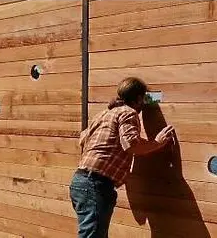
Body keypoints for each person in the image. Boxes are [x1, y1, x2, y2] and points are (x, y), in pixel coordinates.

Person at [69, 77, 176, 238]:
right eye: (144, 98)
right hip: (95, 184)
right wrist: (157, 143)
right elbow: (131, 144)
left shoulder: (104, 114)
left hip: (80, 182)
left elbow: (82, 140)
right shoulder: (128, 112)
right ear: (139, 99)